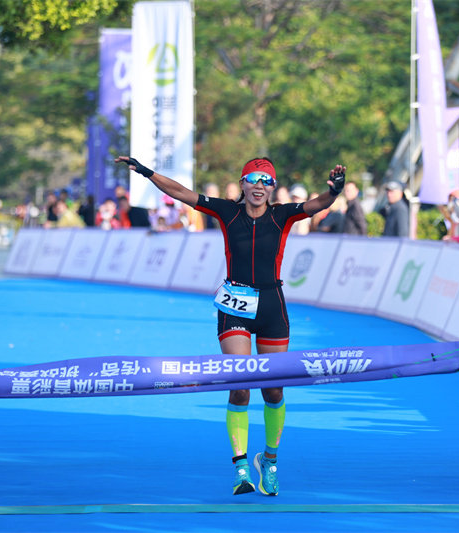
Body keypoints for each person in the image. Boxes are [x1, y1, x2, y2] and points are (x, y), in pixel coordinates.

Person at [115, 154, 345, 496]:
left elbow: (318, 204)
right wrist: (148, 173)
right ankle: (240, 468)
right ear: (242, 184)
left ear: (273, 188)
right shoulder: (227, 212)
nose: (259, 186)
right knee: (240, 383)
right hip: (235, 307)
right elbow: (181, 193)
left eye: (266, 181)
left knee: (273, 390)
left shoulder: (282, 215)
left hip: (272, 306)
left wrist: (335, 191)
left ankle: (269, 460)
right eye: (253, 179)